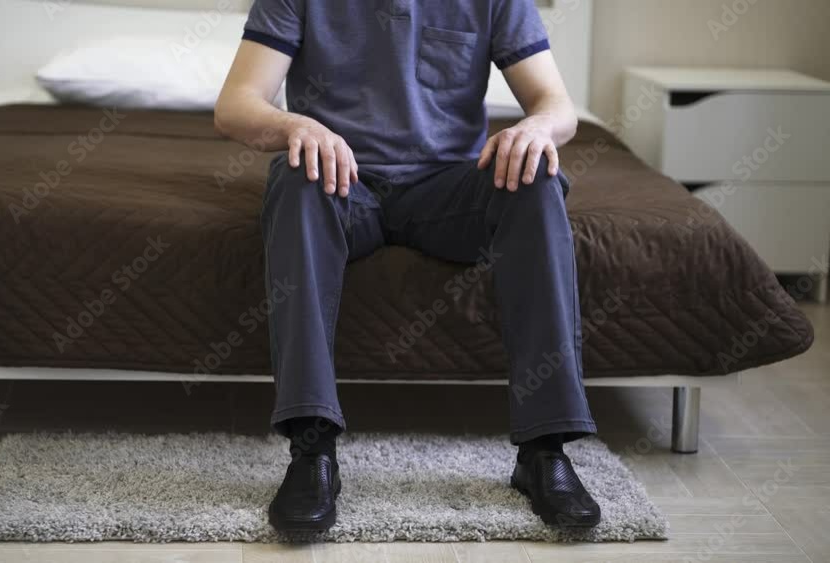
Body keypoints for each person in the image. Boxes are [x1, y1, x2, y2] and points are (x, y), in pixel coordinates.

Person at [215, 0, 600, 532]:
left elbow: (555, 105)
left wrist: (536, 128)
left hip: (448, 192)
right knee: (294, 177)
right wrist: (296, 126)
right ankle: (312, 450)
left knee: (538, 178)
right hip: (341, 181)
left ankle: (544, 451)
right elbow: (236, 104)